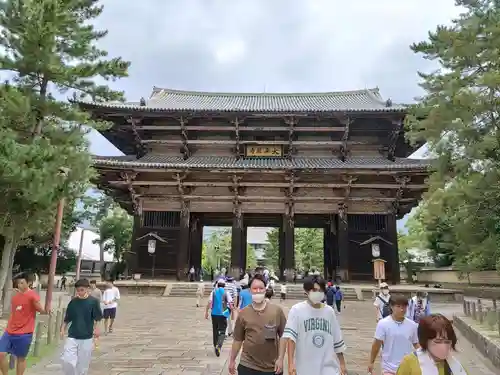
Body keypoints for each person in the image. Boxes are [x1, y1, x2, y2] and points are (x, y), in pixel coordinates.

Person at [283, 276, 348, 375]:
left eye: (320, 290)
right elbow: (291, 339)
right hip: (305, 367)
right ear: (306, 291)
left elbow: (337, 339)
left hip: (328, 367)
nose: (318, 293)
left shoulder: (329, 312)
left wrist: (342, 364)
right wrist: (291, 364)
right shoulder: (297, 310)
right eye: (314, 290)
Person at [228, 274, 287, 375]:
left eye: (261, 288)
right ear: (250, 290)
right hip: (247, 364)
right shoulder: (244, 313)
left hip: (271, 367)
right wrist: (232, 360)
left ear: (265, 289)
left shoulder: (277, 311)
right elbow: (238, 339)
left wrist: (281, 358)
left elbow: (284, 336)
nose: (258, 291)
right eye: (255, 288)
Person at [0, 273, 47, 375]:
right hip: (9, 331)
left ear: (29, 283)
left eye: (22, 283)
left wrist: (45, 310)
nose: (19, 285)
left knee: (20, 358)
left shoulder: (33, 295)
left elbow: (41, 310)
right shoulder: (15, 295)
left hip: (24, 333)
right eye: (18, 283)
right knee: (1, 354)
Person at [396, 314, 468, 375]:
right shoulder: (409, 362)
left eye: (447, 342)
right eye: (437, 341)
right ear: (425, 341)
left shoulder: (455, 366)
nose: (443, 346)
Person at [368, 294, 419, 375]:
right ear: (391, 307)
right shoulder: (383, 324)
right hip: (388, 367)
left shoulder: (412, 325)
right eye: (398, 306)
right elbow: (376, 345)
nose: (402, 309)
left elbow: (416, 344)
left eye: (404, 306)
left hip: (407, 367)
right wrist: (371, 362)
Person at [61, 278, 102, 375]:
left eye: (82, 290)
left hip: (86, 336)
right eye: (78, 290)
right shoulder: (73, 302)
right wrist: (63, 329)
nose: (80, 292)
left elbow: (98, 318)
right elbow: (67, 318)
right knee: (67, 360)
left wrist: (96, 330)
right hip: (72, 335)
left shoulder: (93, 302)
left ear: (88, 289)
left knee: (83, 364)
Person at [205, 279, 232, 357]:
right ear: (224, 285)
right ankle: (219, 345)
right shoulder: (226, 292)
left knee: (215, 330)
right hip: (223, 314)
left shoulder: (213, 292)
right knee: (222, 331)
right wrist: (232, 311)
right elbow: (230, 303)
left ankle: (215, 345)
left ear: (218, 285)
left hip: (214, 314)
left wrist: (206, 312)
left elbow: (209, 302)